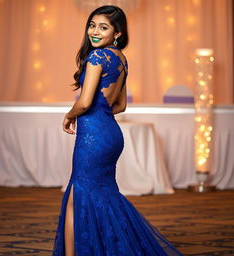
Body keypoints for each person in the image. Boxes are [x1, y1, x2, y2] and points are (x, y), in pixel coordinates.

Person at [52, 5, 183, 256]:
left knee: (75, 199)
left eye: (103, 27)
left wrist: (69, 115)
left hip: (93, 139)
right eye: (92, 25)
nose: (95, 31)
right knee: (104, 196)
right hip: (110, 134)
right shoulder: (121, 59)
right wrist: (99, 116)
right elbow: (121, 105)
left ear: (117, 33)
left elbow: (85, 101)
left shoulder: (96, 57)